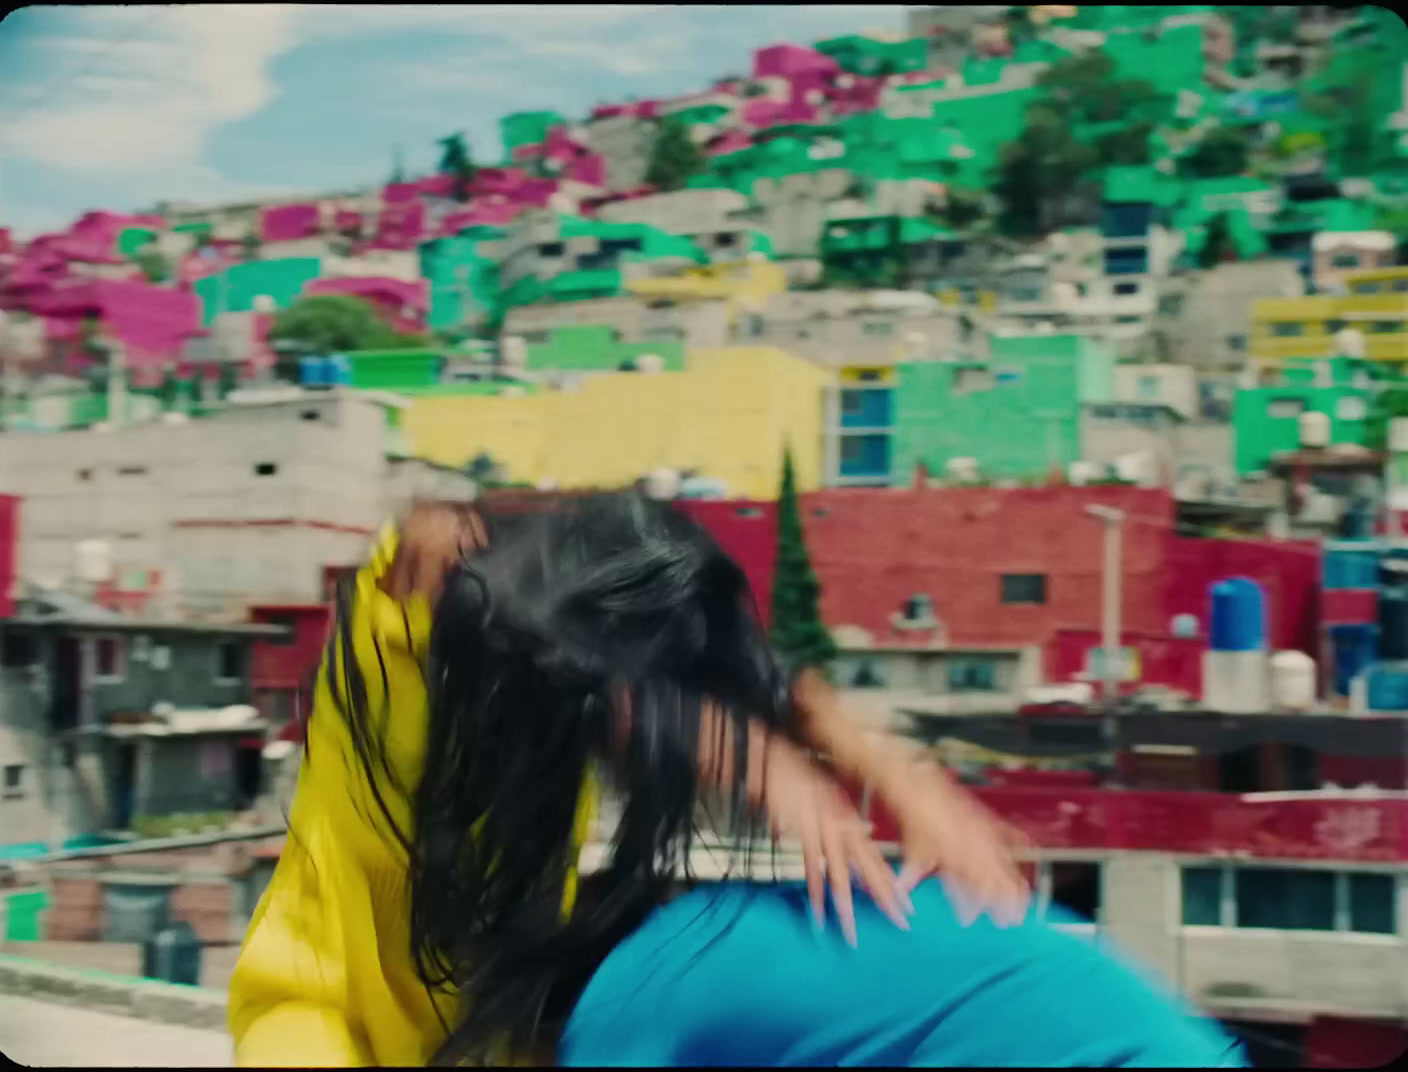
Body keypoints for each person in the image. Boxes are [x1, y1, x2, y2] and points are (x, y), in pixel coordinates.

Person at [228, 494, 1244, 1068]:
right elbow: (463, 553)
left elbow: (755, 674)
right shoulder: (423, 597)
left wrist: (894, 769)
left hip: (478, 1026)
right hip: (321, 1017)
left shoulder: (549, 709)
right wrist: (746, 756)